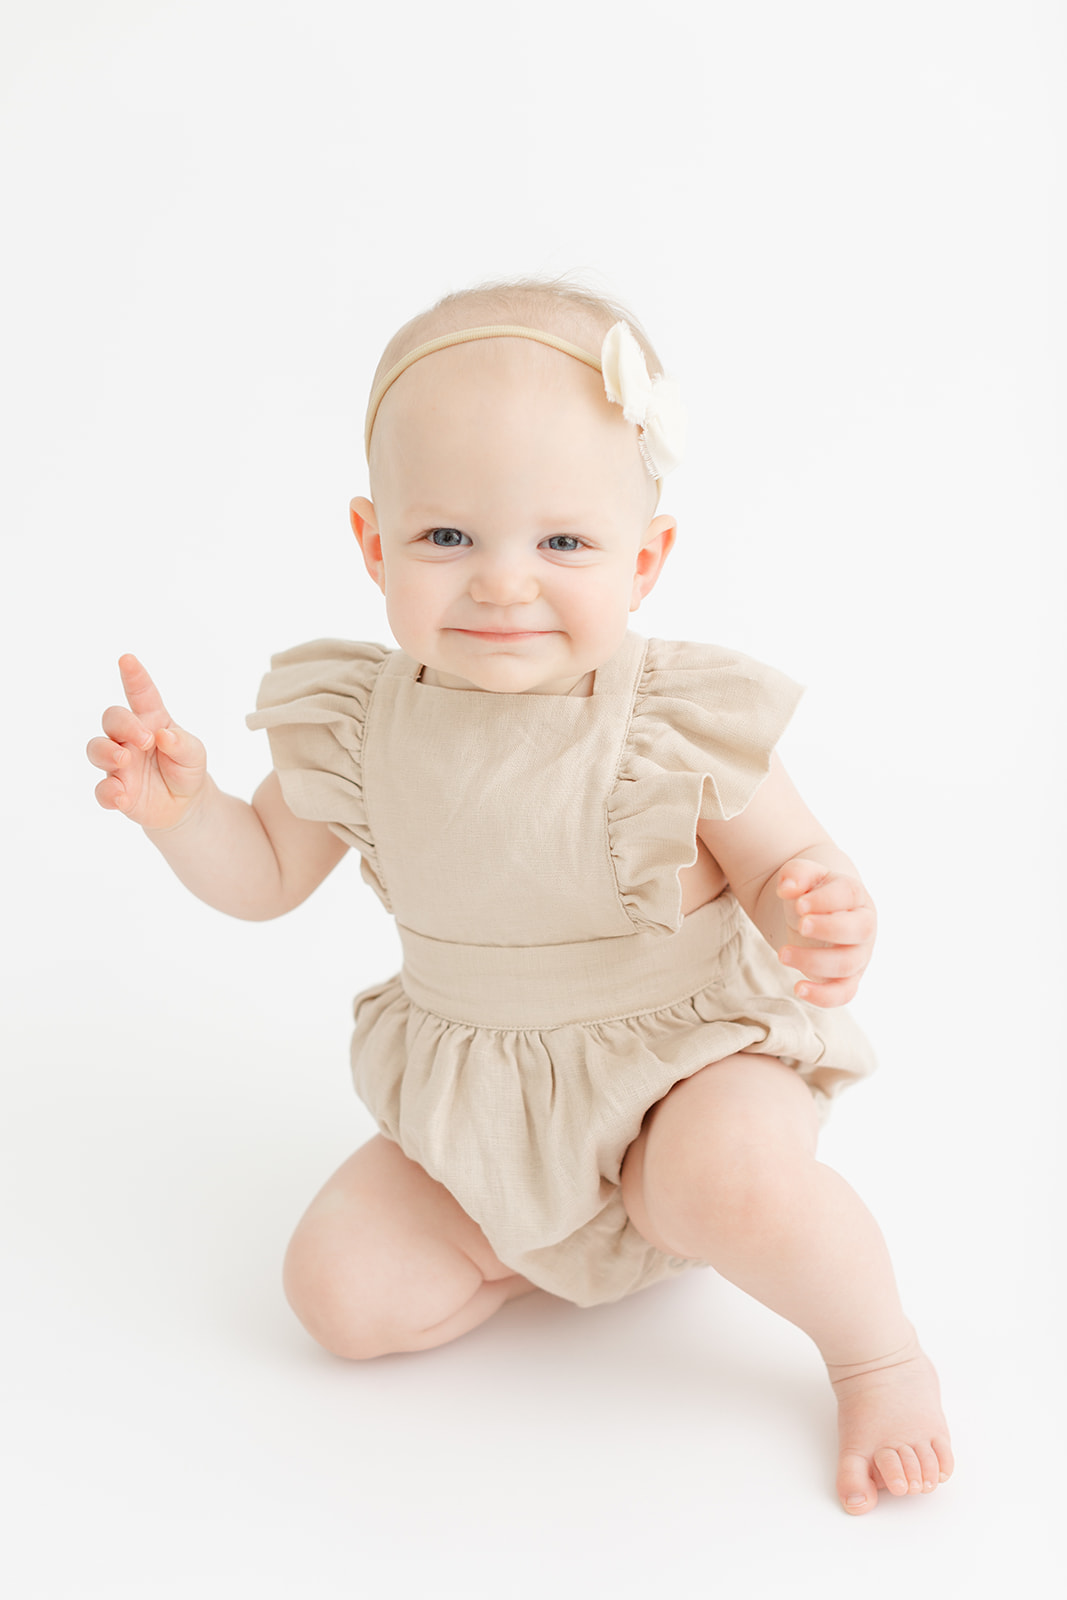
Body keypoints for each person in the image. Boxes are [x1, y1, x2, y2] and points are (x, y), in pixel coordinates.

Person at [87, 277, 953, 1515]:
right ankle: (551, 1239)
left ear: (643, 558)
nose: (501, 583)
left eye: (561, 542)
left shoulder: (667, 718)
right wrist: (185, 814)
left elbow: (784, 866)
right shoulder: (354, 719)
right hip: (490, 1108)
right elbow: (266, 875)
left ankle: (877, 1353)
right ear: (372, 543)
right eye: (448, 538)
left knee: (731, 1180)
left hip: (684, 1072)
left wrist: (815, 909)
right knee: (337, 1296)